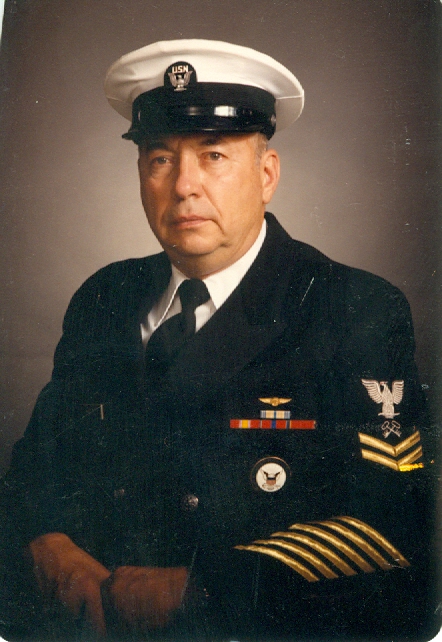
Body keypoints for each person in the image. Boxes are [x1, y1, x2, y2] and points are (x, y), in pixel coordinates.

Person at [0, 39, 439, 641]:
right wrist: (44, 537)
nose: (184, 186)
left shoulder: (352, 308)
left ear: (267, 175)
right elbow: (35, 467)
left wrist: (203, 590)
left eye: (213, 156)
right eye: (161, 158)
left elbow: (396, 530)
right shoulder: (104, 297)